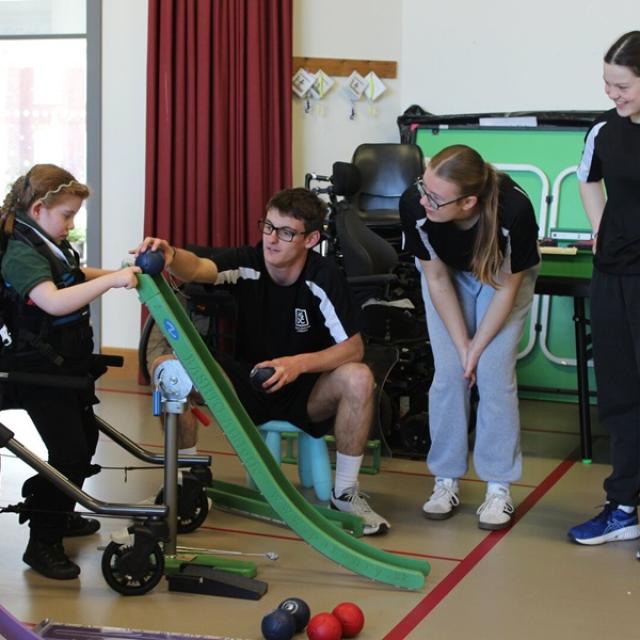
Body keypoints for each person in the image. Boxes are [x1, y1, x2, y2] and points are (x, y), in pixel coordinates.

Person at [138, 187, 389, 535]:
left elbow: (353, 348)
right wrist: (171, 253)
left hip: (306, 393)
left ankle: (345, 494)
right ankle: (187, 484)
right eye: (268, 227)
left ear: (311, 239)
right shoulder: (249, 262)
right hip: (247, 386)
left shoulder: (323, 277)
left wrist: (297, 365)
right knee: (170, 371)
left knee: (359, 376)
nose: (272, 240)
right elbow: (198, 268)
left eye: (286, 233)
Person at [0, 164, 140, 579]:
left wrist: (121, 273)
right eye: (67, 215)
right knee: (70, 451)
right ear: (40, 208)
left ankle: (55, 506)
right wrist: (114, 281)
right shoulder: (21, 251)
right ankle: (43, 539)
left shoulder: (43, 239)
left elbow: (72, 276)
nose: (71, 223)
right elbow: (54, 302)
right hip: (32, 370)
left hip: (60, 364)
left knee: (84, 440)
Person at [399, 145, 539, 530]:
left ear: (468, 202)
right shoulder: (415, 205)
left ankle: (498, 487)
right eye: (423, 187)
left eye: (436, 197)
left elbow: (508, 290)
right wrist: (462, 348)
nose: (423, 199)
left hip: (500, 279)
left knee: (493, 375)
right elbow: (437, 278)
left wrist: (478, 349)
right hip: (448, 277)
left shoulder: (515, 211)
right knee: (449, 375)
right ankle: (445, 480)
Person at [568, 31, 640, 547]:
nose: (612, 94)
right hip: (614, 274)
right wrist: (599, 229)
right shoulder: (605, 132)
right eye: (607, 84)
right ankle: (624, 505)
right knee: (619, 393)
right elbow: (586, 177)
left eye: (622, 85)